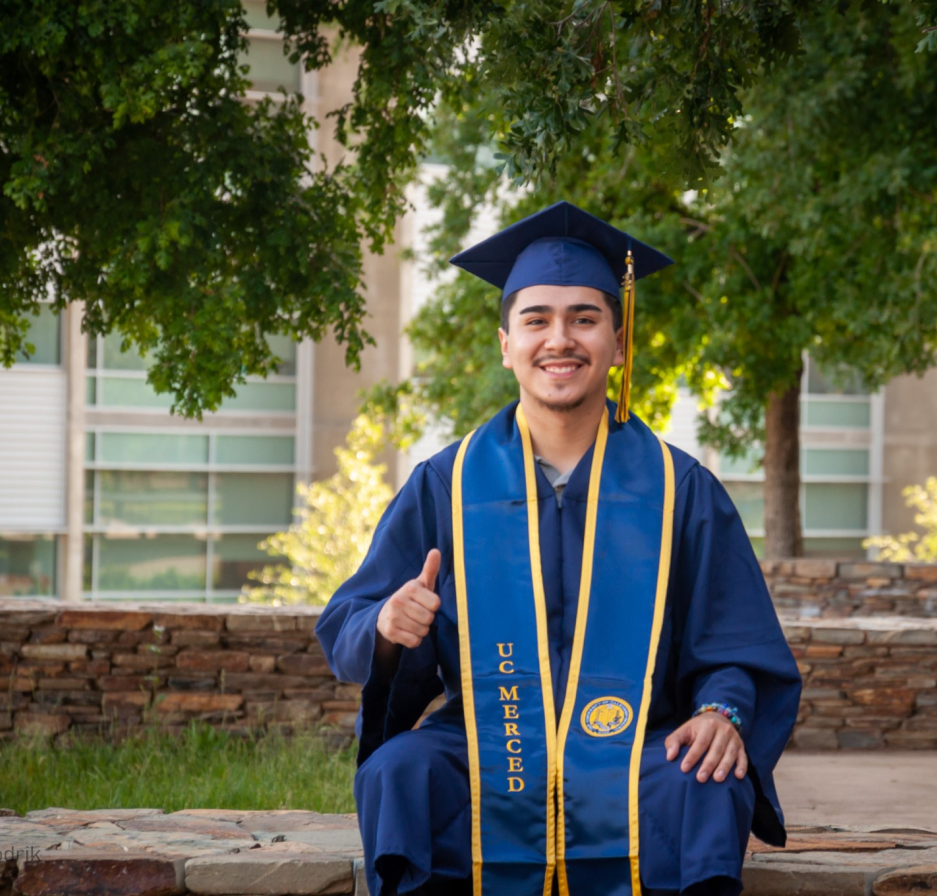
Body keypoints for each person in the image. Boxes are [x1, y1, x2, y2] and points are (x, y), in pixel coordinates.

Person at [315, 201, 802, 896]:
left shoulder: (678, 488)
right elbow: (349, 620)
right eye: (536, 319)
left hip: (637, 753)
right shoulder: (447, 486)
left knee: (705, 781)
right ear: (505, 342)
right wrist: (387, 627)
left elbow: (734, 642)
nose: (560, 339)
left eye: (584, 318)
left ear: (619, 341)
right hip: (485, 749)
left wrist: (720, 713)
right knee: (402, 773)